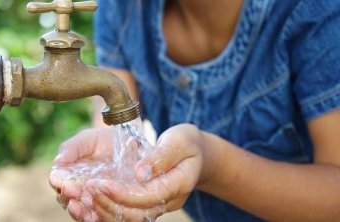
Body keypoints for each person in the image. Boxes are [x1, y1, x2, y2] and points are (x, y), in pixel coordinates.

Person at [49, 0, 340, 221]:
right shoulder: (123, 7)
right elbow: (116, 108)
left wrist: (213, 164)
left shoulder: (315, 13)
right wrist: (110, 172)